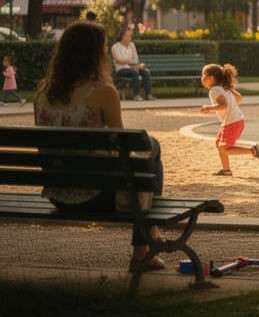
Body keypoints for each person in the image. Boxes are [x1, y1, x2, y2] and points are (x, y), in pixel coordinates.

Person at [33, 21, 166, 271]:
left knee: (142, 160)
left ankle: (152, 234)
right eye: (103, 48)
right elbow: (126, 149)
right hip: (96, 196)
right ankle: (141, 251)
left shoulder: (42, 91)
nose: (105, 52)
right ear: (94, 53)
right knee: (151, 150)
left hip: (57, 195)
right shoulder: (102, 91)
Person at [200, 63, 259, 176]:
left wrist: (209, 108)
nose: (201, 79)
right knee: (219, 144)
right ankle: (226, 171)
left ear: (211, 78)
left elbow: (224, 105)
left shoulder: (214, 90)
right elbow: (239, 98)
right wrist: (231, 100)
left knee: (224, 148)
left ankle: (253, 151)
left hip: (232, 122)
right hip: (236, 120)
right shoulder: (224, 89)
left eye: (203, 75)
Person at [111, 28, 154, 101]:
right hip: (121, 69)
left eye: (130, 36)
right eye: (128, 36)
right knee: (135, 72)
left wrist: (135, 64)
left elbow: (136, 59)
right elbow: (119, 61)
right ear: (122, 36)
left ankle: (148, 95)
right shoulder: (115, 47)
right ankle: (136, 95)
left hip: (132, 67)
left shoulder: (132, 45)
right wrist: (131, 62)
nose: (129, 38)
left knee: (145, 71)